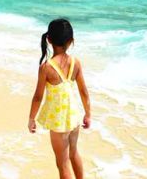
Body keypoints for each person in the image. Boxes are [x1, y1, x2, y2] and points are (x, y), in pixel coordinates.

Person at [28, 18, 91, 179]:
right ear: (71, 41)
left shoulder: (46, 68)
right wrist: (88, 114)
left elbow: (38, 97)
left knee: (62, 163)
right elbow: (84, 91)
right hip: (73, 115)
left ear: (48, 40)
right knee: (74, 153)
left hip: (58, 120)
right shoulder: (75, 62)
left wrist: (31, 118)